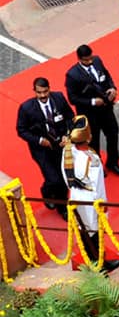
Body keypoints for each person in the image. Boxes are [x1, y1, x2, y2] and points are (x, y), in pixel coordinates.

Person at [61, 115, 119, 273]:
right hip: (90, 201)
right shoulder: (89, 160)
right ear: (88, 138)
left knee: (88, 234)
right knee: (93, 235)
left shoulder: (68, 151)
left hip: (78, 198)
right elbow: (96, 186)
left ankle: (98, 262)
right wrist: (102, 204)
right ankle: (99, 266)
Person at [16, 77, 74, 219]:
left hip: (60, 145)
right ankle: (62, 207)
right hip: (42, 150)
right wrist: (40, 140)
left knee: (63, 177)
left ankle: (50, 192)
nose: (42, 95)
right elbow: (21, 130)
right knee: (56, 180)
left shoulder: (59, 98)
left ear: (49, 88)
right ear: (34, 91)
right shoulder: (26, 108)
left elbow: (70, 117)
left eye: (45, 91)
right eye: (39, 92)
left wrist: (67, 135)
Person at [64, 44, 119, 176]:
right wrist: (92, 102)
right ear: (79, 59)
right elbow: (72, 98)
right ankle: (97, 165)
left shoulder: (97, 61)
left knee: (113, 133)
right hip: (89, 114)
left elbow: (107, 76)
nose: (90, 61)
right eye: (86, 60)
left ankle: (113, 162)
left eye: (90, 58)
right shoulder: (72, 75)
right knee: (94, 141)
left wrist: (112, 88)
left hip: (106, 108)